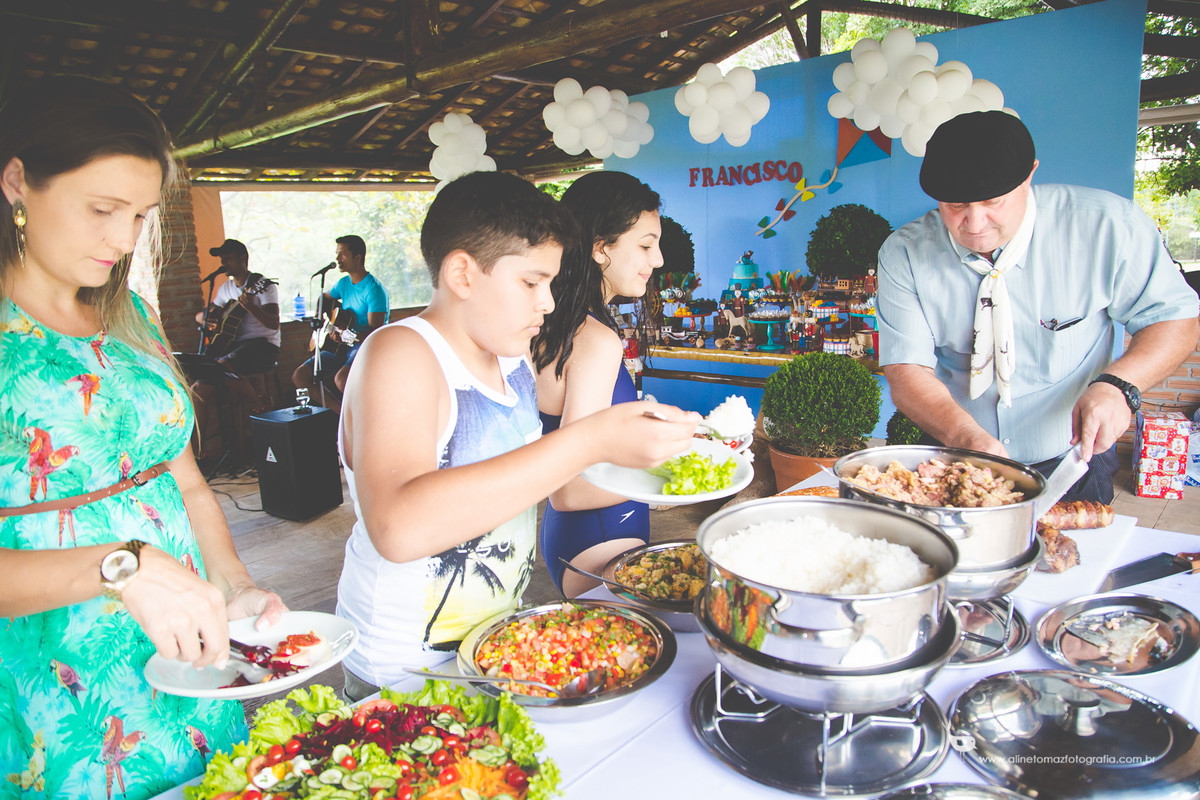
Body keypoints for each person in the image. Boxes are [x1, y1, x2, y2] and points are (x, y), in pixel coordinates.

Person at [0, 76, 284, 799]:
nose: (124, 239)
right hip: (56, 693)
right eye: (102, 210)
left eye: (140, 216)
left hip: (187, 664)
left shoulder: (132, 316)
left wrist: (233, 586)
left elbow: (183, 480)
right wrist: (123, 567)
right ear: (18, 183)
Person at [333, 171, 698, 700]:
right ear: (462, 273)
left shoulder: (513, 361)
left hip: (495, 646)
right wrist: (591, 440)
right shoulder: (403, 353)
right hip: (402, 674)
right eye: (531, 283)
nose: (548, 303)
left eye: (551, 283)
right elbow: (397, 527)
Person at [877, 110, 1199, 503]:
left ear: (1029, 175)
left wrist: (1119, 387)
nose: (974, 223)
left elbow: (1174, 319)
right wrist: (965, 435)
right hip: (961, 453)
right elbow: (906, 369)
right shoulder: (904, 253)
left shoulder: (1108, 226)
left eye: (993, 201)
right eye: (955, 205)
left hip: (1072, 459)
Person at [530, 171, 666, 597]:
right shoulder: (595, 339)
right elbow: (569, 489)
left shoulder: (555, 322)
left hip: (581, 536)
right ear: (599, 247)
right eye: (645, 245)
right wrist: (669, 472)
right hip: (600, 538)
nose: (658, 260)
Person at [191, 238, 281, 457]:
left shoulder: (264, 285)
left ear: (243, 259)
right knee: (196, 390)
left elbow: (273, 323)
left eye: (228, 258)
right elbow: (204, 315)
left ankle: (257, 401)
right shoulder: (227, 288)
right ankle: (197, 452)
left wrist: (252, 308)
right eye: (222, 259)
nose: (224, 263)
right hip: (236, 347)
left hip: (263, 346)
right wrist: (206, 318)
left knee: (223, 365)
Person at [292, 234, 389, 409]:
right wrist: (326, 324)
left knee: (342, 379)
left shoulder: (374, 289)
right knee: (300, 376)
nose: (337, 259)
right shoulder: (343, 284)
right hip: (342, 346)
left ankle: (367, 417)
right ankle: (340, 415)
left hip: (365, 346)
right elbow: (324, 297)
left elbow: (375, 331)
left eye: (342, 254)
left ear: (357, 257)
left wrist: (346, 335)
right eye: (337, 254)